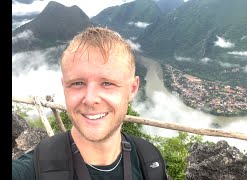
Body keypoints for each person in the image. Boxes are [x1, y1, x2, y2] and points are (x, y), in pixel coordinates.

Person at [12, 27, 167, 180]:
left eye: (107, 83)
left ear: (132, 89)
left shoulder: (149, 161)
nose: (90, 99)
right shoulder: (34, 170)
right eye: (77, 83)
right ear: (64, 87)